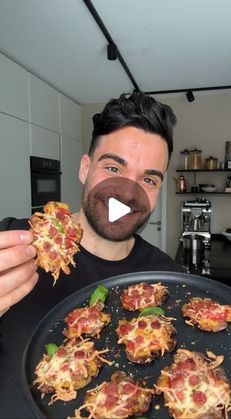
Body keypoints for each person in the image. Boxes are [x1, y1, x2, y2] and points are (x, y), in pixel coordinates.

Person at [0, 91, 183, 418]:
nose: (128, 193)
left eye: (149, 179)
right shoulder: (12, 244)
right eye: (114, 167)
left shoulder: (166, 281)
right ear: (85, 169)